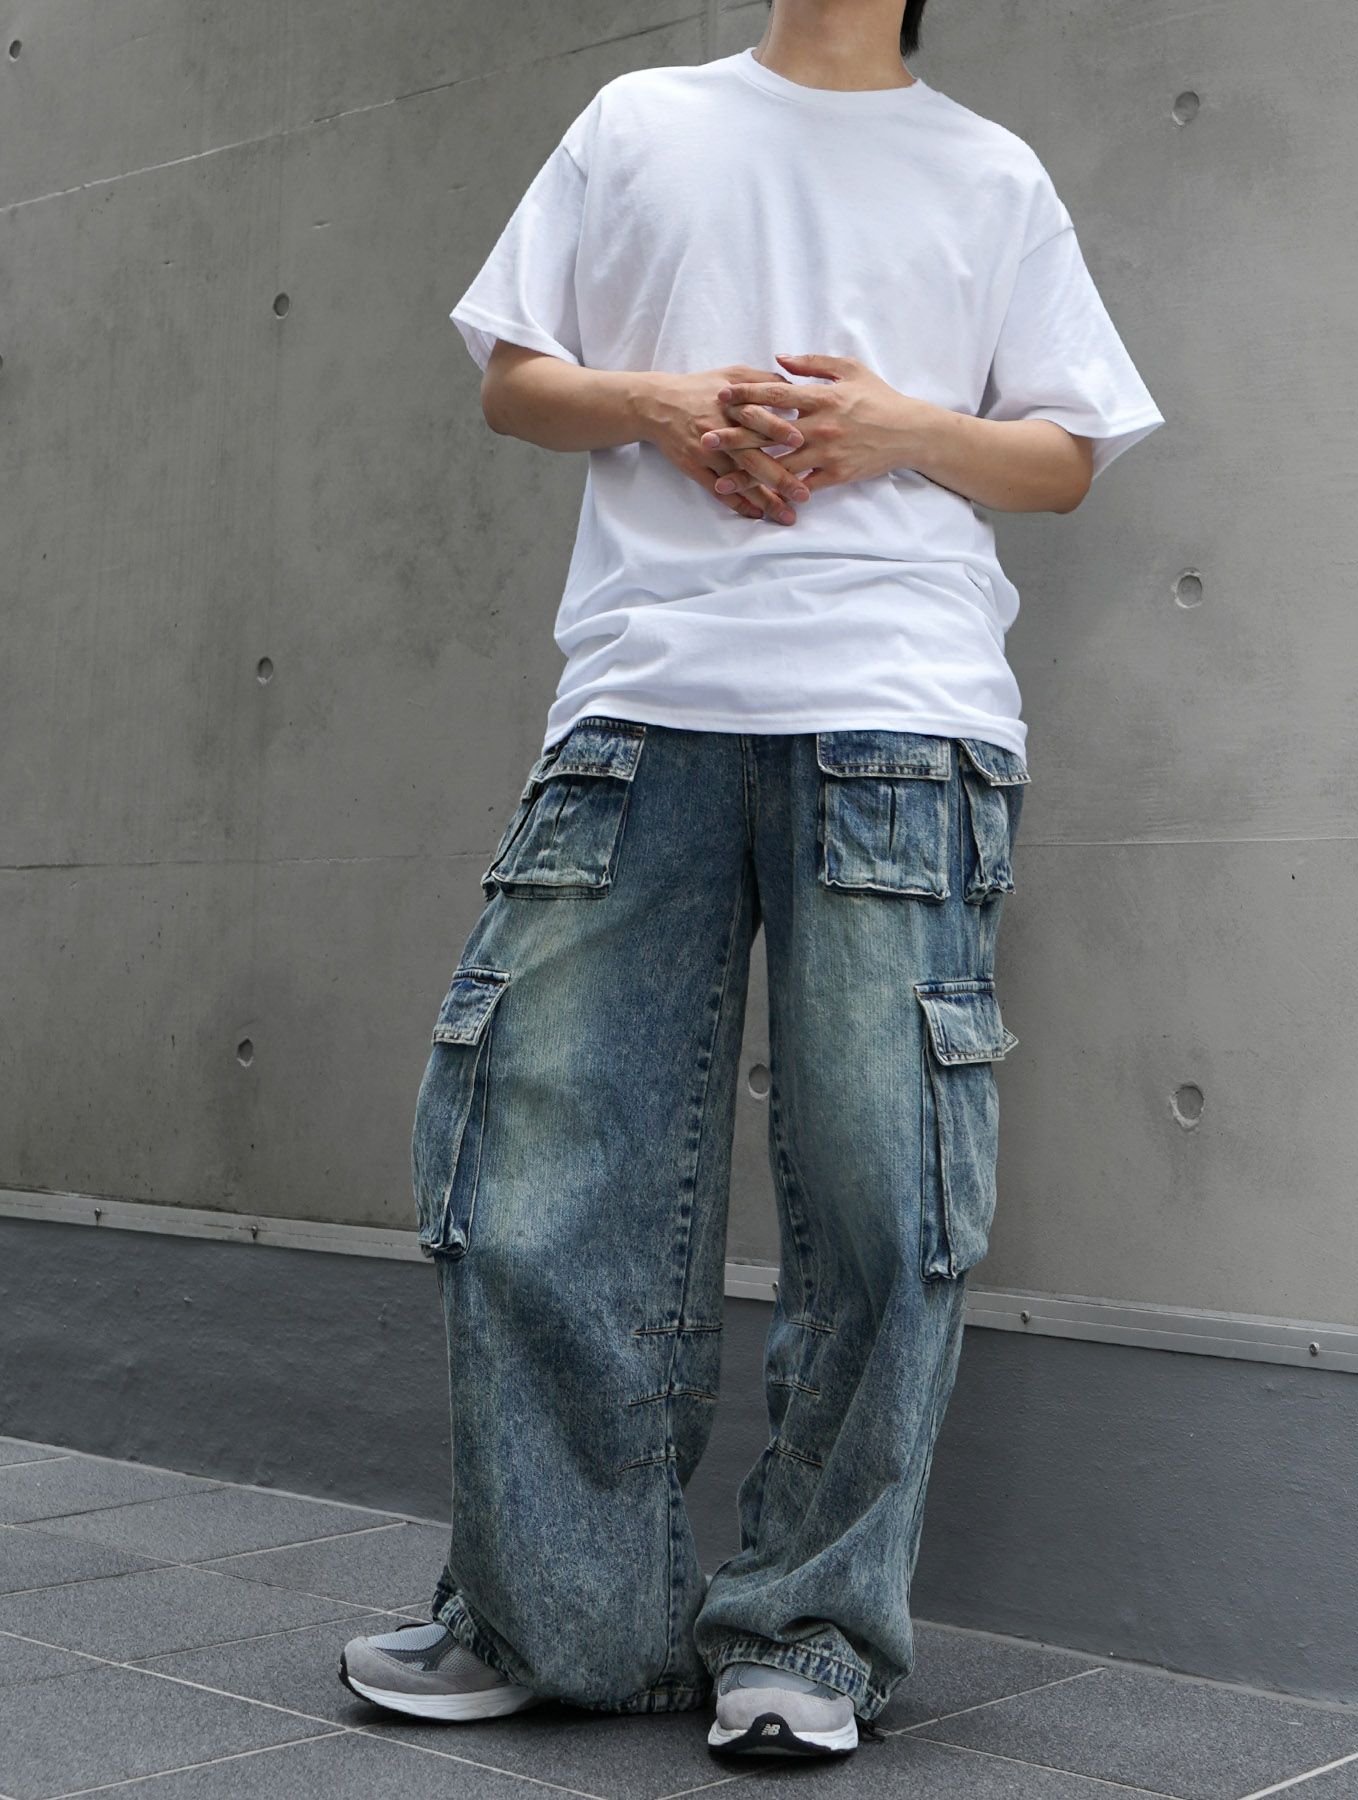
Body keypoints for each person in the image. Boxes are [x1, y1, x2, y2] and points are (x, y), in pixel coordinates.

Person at [339, 0, 1163, 1762]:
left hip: (902, 714)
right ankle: (560, 1615)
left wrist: (896, 428)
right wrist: (659, 402)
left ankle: (810, 1633)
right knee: (539, 1169)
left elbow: (1067, 455)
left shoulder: (988, 169)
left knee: (884, 1191)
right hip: (642, 697)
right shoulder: (638, 119)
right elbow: (513, 377)